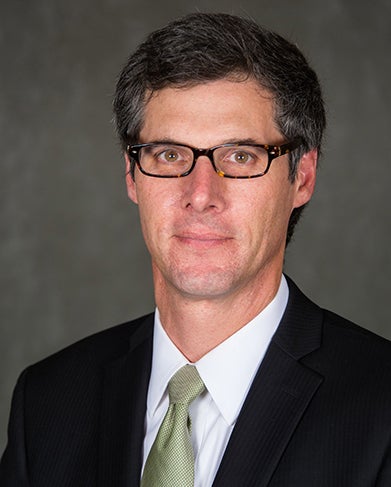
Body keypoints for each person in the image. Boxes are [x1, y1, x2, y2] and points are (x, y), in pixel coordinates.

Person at [1, 12, 390, 487]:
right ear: (131, 175)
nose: (201, 193)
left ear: (301, 177)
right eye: (168, 154)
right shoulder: (48, 403)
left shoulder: (380, 407)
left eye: (241, 156)